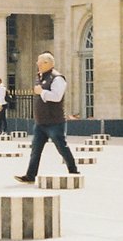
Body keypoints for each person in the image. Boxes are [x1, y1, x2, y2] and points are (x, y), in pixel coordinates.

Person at [15, 52, 79, 183]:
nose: (37, 64)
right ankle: (30, 175)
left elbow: (57, 96)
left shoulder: (57, 78)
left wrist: (41, 92)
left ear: (47, 63)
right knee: (35, 149)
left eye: (39, 62)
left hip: (54, 121)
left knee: (61, 147)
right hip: (40, 122)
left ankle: (73, 171)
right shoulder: (39, 77)